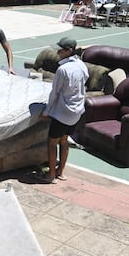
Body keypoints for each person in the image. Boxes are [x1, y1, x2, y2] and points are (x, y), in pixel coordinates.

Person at [38, 37, 89, 183]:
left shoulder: (63, 70)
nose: (58, 52)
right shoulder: (81, 65)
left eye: (60, 50)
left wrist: (46, 112)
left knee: (52, 142)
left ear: (69, 51)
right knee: (64, 140)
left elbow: (55, 92)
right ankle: (60, 172)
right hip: (76, 112)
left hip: (63, 113)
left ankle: (51, 175)